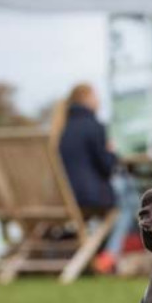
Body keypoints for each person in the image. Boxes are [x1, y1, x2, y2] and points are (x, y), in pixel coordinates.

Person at [57, 83, 139, 274]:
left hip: (66, 194)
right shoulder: (93, 126)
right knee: (128, 199)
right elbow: (108, 167)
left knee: (126, 192)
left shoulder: (63, 128)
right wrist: (111, 152)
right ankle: (110, 255)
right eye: (96, 96)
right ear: (86, 98)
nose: (99, 100)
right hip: (88, 195)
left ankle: (111, 251)